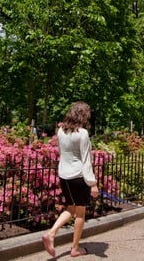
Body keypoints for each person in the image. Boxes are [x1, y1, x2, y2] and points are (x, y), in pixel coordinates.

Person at [42, 101, 99, 257]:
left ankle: (51, 234)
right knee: (80, 212)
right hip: (78, 176)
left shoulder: (61, 130)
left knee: (70, 208)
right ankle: (74, 249)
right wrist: (93, 184)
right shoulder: (82, 133)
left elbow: (61, 152)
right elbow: (86, 160)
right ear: (84, 115)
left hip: (64, 175)